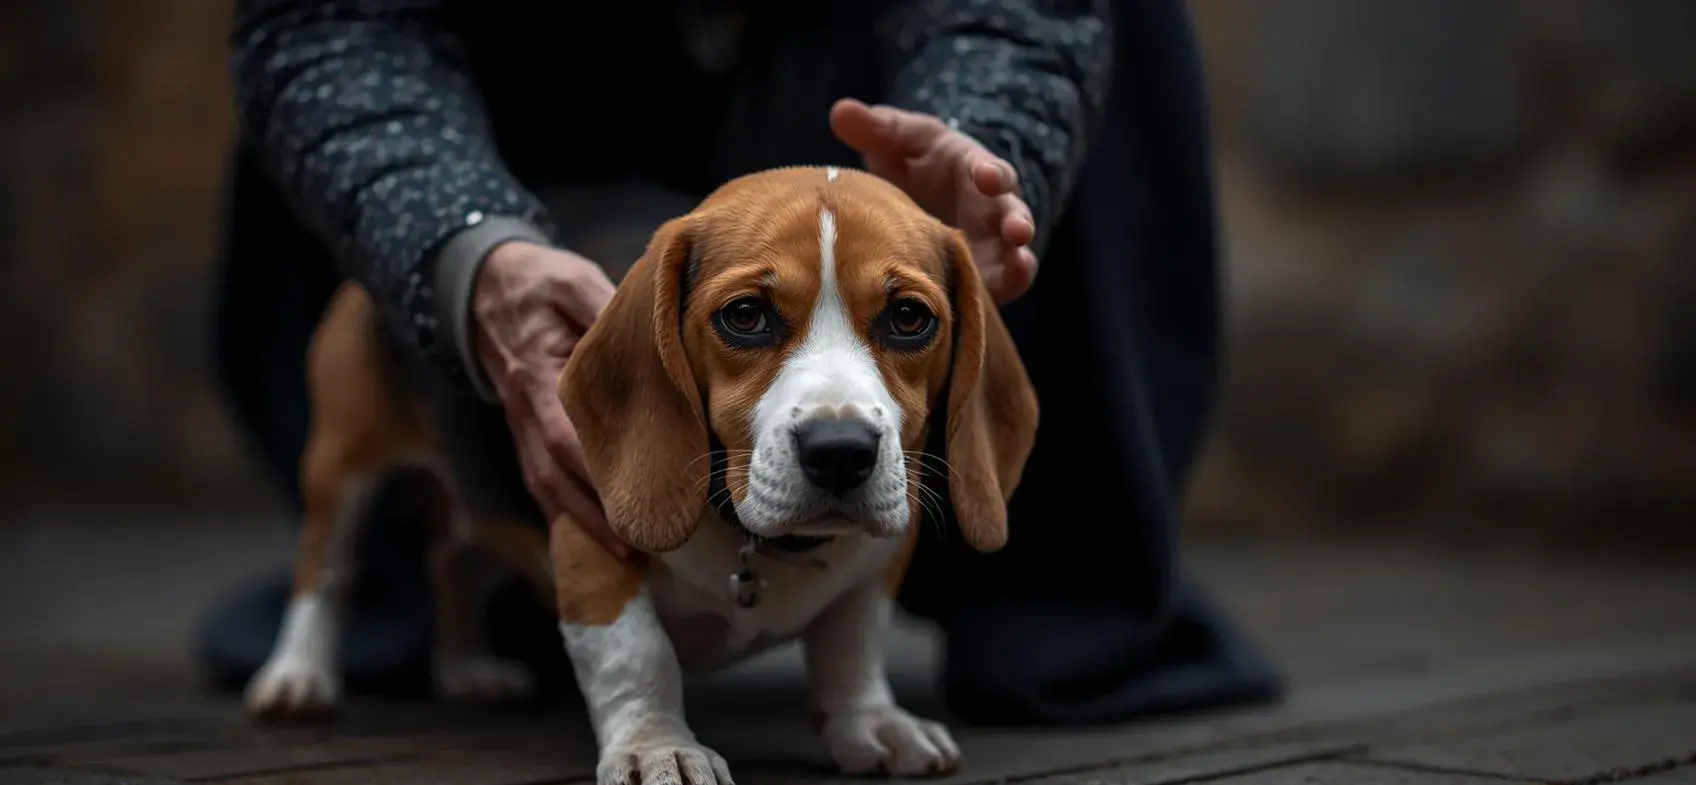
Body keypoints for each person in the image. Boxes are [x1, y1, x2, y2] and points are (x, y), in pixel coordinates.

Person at [205, 0, 1281, 725]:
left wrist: (982, 135)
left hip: (855, 80)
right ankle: (416, 592)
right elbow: (319, 22)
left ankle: (1058, 599)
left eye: (904, 322)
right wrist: (455, 247)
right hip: (506, 113)